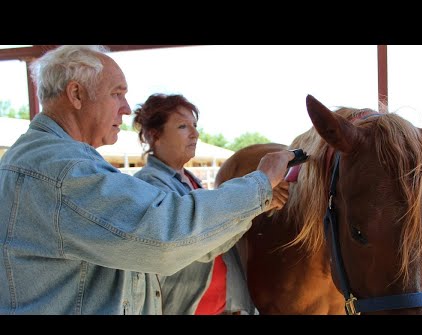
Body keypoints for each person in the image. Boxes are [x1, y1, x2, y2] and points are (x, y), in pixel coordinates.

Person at [0, 45, 295, 315]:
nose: (127, 108)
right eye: (117, 93)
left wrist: (255, 201)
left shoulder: (46, 160)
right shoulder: (61, 171)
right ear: (76, 95)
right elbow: (165, 238)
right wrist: (260, 183)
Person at [131, 93, 290, 315]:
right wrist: (254, 204)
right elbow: (195, 241)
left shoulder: (190, 181)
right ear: (152, 135)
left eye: (195, 125)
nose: (195, 134)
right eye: (182, 127)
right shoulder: (148, 185)